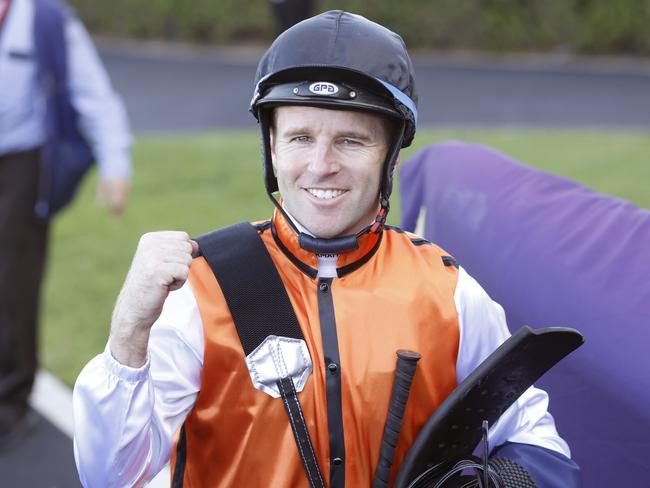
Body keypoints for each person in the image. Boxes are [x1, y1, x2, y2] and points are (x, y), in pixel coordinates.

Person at [73, 10, 579, 487]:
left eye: (351, 142)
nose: (321, 165)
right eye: (299, 138)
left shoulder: (446, 291)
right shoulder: (202, 290)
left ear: (391, 157)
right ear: (271, 148)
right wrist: (129, 332)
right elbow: (111, 474)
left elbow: (534, 436)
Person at [0, 0, 132, 447]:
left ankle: (10, 402)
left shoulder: (45, 17)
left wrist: (116, 162)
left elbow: (91, 88)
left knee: (13, 280)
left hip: (20, 160)